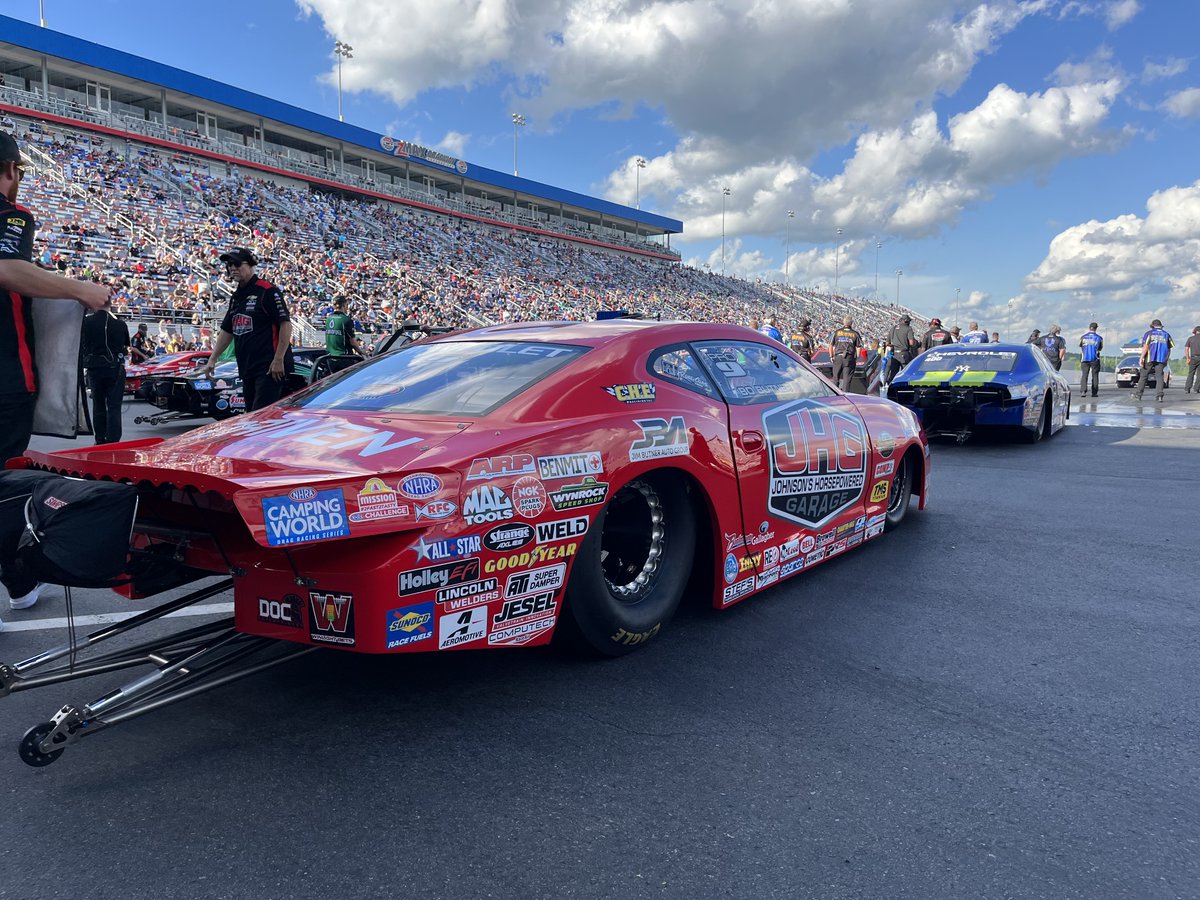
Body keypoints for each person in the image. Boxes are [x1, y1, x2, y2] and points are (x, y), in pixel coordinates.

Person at [0, 132, 110, 623]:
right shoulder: (9, 214)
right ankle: (19, 575)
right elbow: (6, 269)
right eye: (18, 171)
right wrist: (79, 289)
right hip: (4, 381)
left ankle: (19, 579)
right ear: (9, 170)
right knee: (7, 486)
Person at [200, 248, 293, 412]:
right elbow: (227, 330)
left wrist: (278, 359)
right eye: (229, 264)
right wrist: (212, 359)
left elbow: (286, 324)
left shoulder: (267, 291)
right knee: (251, 416)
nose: (232, 268)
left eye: (236, 263)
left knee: (260, 418)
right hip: (247, 366)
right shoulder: (236, 296)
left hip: (269, 367)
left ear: (250, 265)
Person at [80, 307, 130, 444]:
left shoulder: (86, 322)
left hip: (95, 368)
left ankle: (100, 438)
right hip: (115, 368)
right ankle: (113, 439)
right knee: (114, 406)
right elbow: (125, 346)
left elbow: (82, 344)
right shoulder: (120, 324)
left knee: (98, 404)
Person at [1131, 319, 1174, 403]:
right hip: (1161, 359)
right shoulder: (1166, 334)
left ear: (1152, 325)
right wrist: (1166, 359)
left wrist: (1141, 358)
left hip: (1149, 358)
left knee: (1143, 376)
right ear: (1161, 326)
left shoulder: (1149, 334)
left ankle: (1138, 395)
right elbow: (1169, 348)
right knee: (1159, 377)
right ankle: (1159, 396)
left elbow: (1146, 346)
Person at [828, 315, 861, 391]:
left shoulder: (837, 332)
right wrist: (856, 358)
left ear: (843, 323)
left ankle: (835, 394)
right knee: (847, 380)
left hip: (838, 357)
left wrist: (831, 356)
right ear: (851, 323)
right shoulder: (855, 333)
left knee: (835, 378)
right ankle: (846, 396)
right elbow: (858, 347)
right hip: (849, 357)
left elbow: (830, 345)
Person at [886, 315, 919, 382]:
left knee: (893, 373)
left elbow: (887, 343)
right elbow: (911, 343)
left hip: (894, 354)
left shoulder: (893, 328)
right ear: (906, 321)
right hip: (904, 353)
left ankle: (890, 387)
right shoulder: (908, 328)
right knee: (906, 373)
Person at [1078, 323, 1103, 398]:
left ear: (1089, 328)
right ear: (1096, 328)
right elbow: (1100, 348)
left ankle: (1083, 391)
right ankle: (1094, 392)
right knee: (1095, 375)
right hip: (1095, 358)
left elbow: (1080, 345)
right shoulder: (1099, 338)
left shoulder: (1083, 337)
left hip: (1084, 358)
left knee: (1084, 375)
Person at [1185, 326, 1200, 394]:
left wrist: (1188, 358)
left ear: (1195, 331)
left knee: (1191, 373)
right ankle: (1196, 389)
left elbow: (1187, 348)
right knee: (1199, 375)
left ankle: (1187, 388)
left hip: (1193, 358)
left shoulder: (1190, 338)